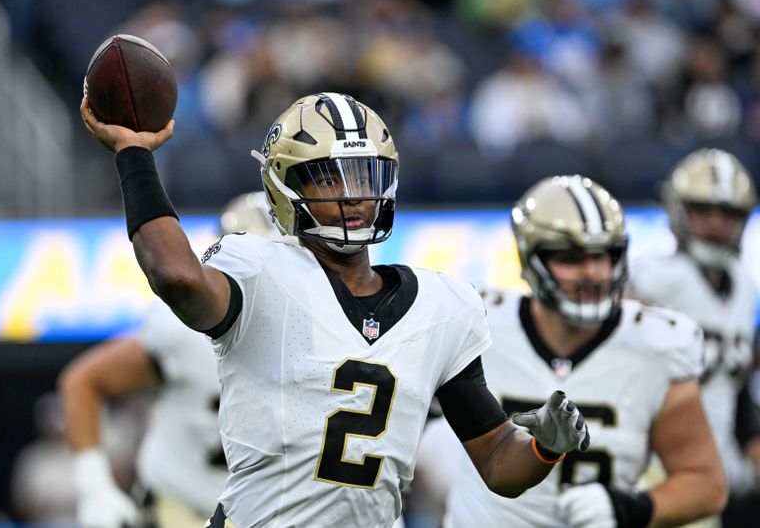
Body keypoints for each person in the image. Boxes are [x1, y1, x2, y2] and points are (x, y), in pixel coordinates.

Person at [80, 91, 590, 527]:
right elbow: (176, 275)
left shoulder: (444, 305)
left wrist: (544, 448)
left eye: (364, 175)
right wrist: (133, 154)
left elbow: (499, 460)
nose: (353, 196)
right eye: (329, 178)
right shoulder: (259, 268)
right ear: (286, 188)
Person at [442, 175, 726, 527]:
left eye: (604, 255)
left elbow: (705, 482)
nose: (593, 272)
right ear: (531, 258)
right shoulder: (476, 323)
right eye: (570, 258)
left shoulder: (657, 342)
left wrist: (630, 509)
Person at [59, 192, 282, 528]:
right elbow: (85, 381)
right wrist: (95, 488)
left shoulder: (334, 332)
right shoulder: (183, 331)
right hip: (182, 507)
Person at [628, 148, 760, 527]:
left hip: (713, 476)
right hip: (648, 470)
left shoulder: (745, 285)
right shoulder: (649, 278)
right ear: (679, 212)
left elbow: (731, 386)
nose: (716, 224)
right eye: (704, 211)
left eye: (729, 214)